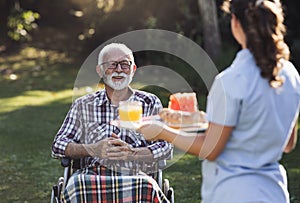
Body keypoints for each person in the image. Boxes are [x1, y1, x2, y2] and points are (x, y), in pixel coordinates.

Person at [138, 0, 300, 202]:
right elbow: (287, 143)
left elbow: (210, 149)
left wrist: (161, 131)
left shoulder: (230, 80)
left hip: (234, 193)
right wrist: (201, 119)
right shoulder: (291, 74)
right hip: (274, 191)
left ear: (235, 22)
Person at [51, 43, 173, 202]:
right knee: (77, 185)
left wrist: (132, 153)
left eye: (125, 64)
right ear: (100, 71)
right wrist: (92, 149)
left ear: (133, 69)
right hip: (91, 175)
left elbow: (166, 146)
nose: (119, 70)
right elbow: (58, 145)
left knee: (147, 186)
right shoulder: (84, 105)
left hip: (136, 175)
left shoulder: (149, 102)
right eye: (112, 65)